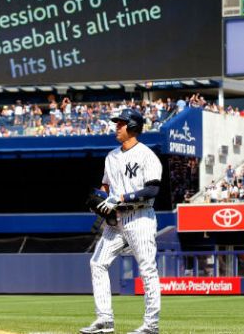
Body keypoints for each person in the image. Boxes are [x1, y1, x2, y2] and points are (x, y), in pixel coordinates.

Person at [80, 108, 162, 334]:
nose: (116, 127)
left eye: (121, 123)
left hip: (140, 216)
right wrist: (99, 197)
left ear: (133, 127)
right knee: (97, 263)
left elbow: (153, 189)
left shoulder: (147, 155)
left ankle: (151, 325)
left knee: (147, 269)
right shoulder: (111, 156)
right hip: (116, 220)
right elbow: (105, 186)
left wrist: (123, 197)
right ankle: (105, 320)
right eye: (116, 123)